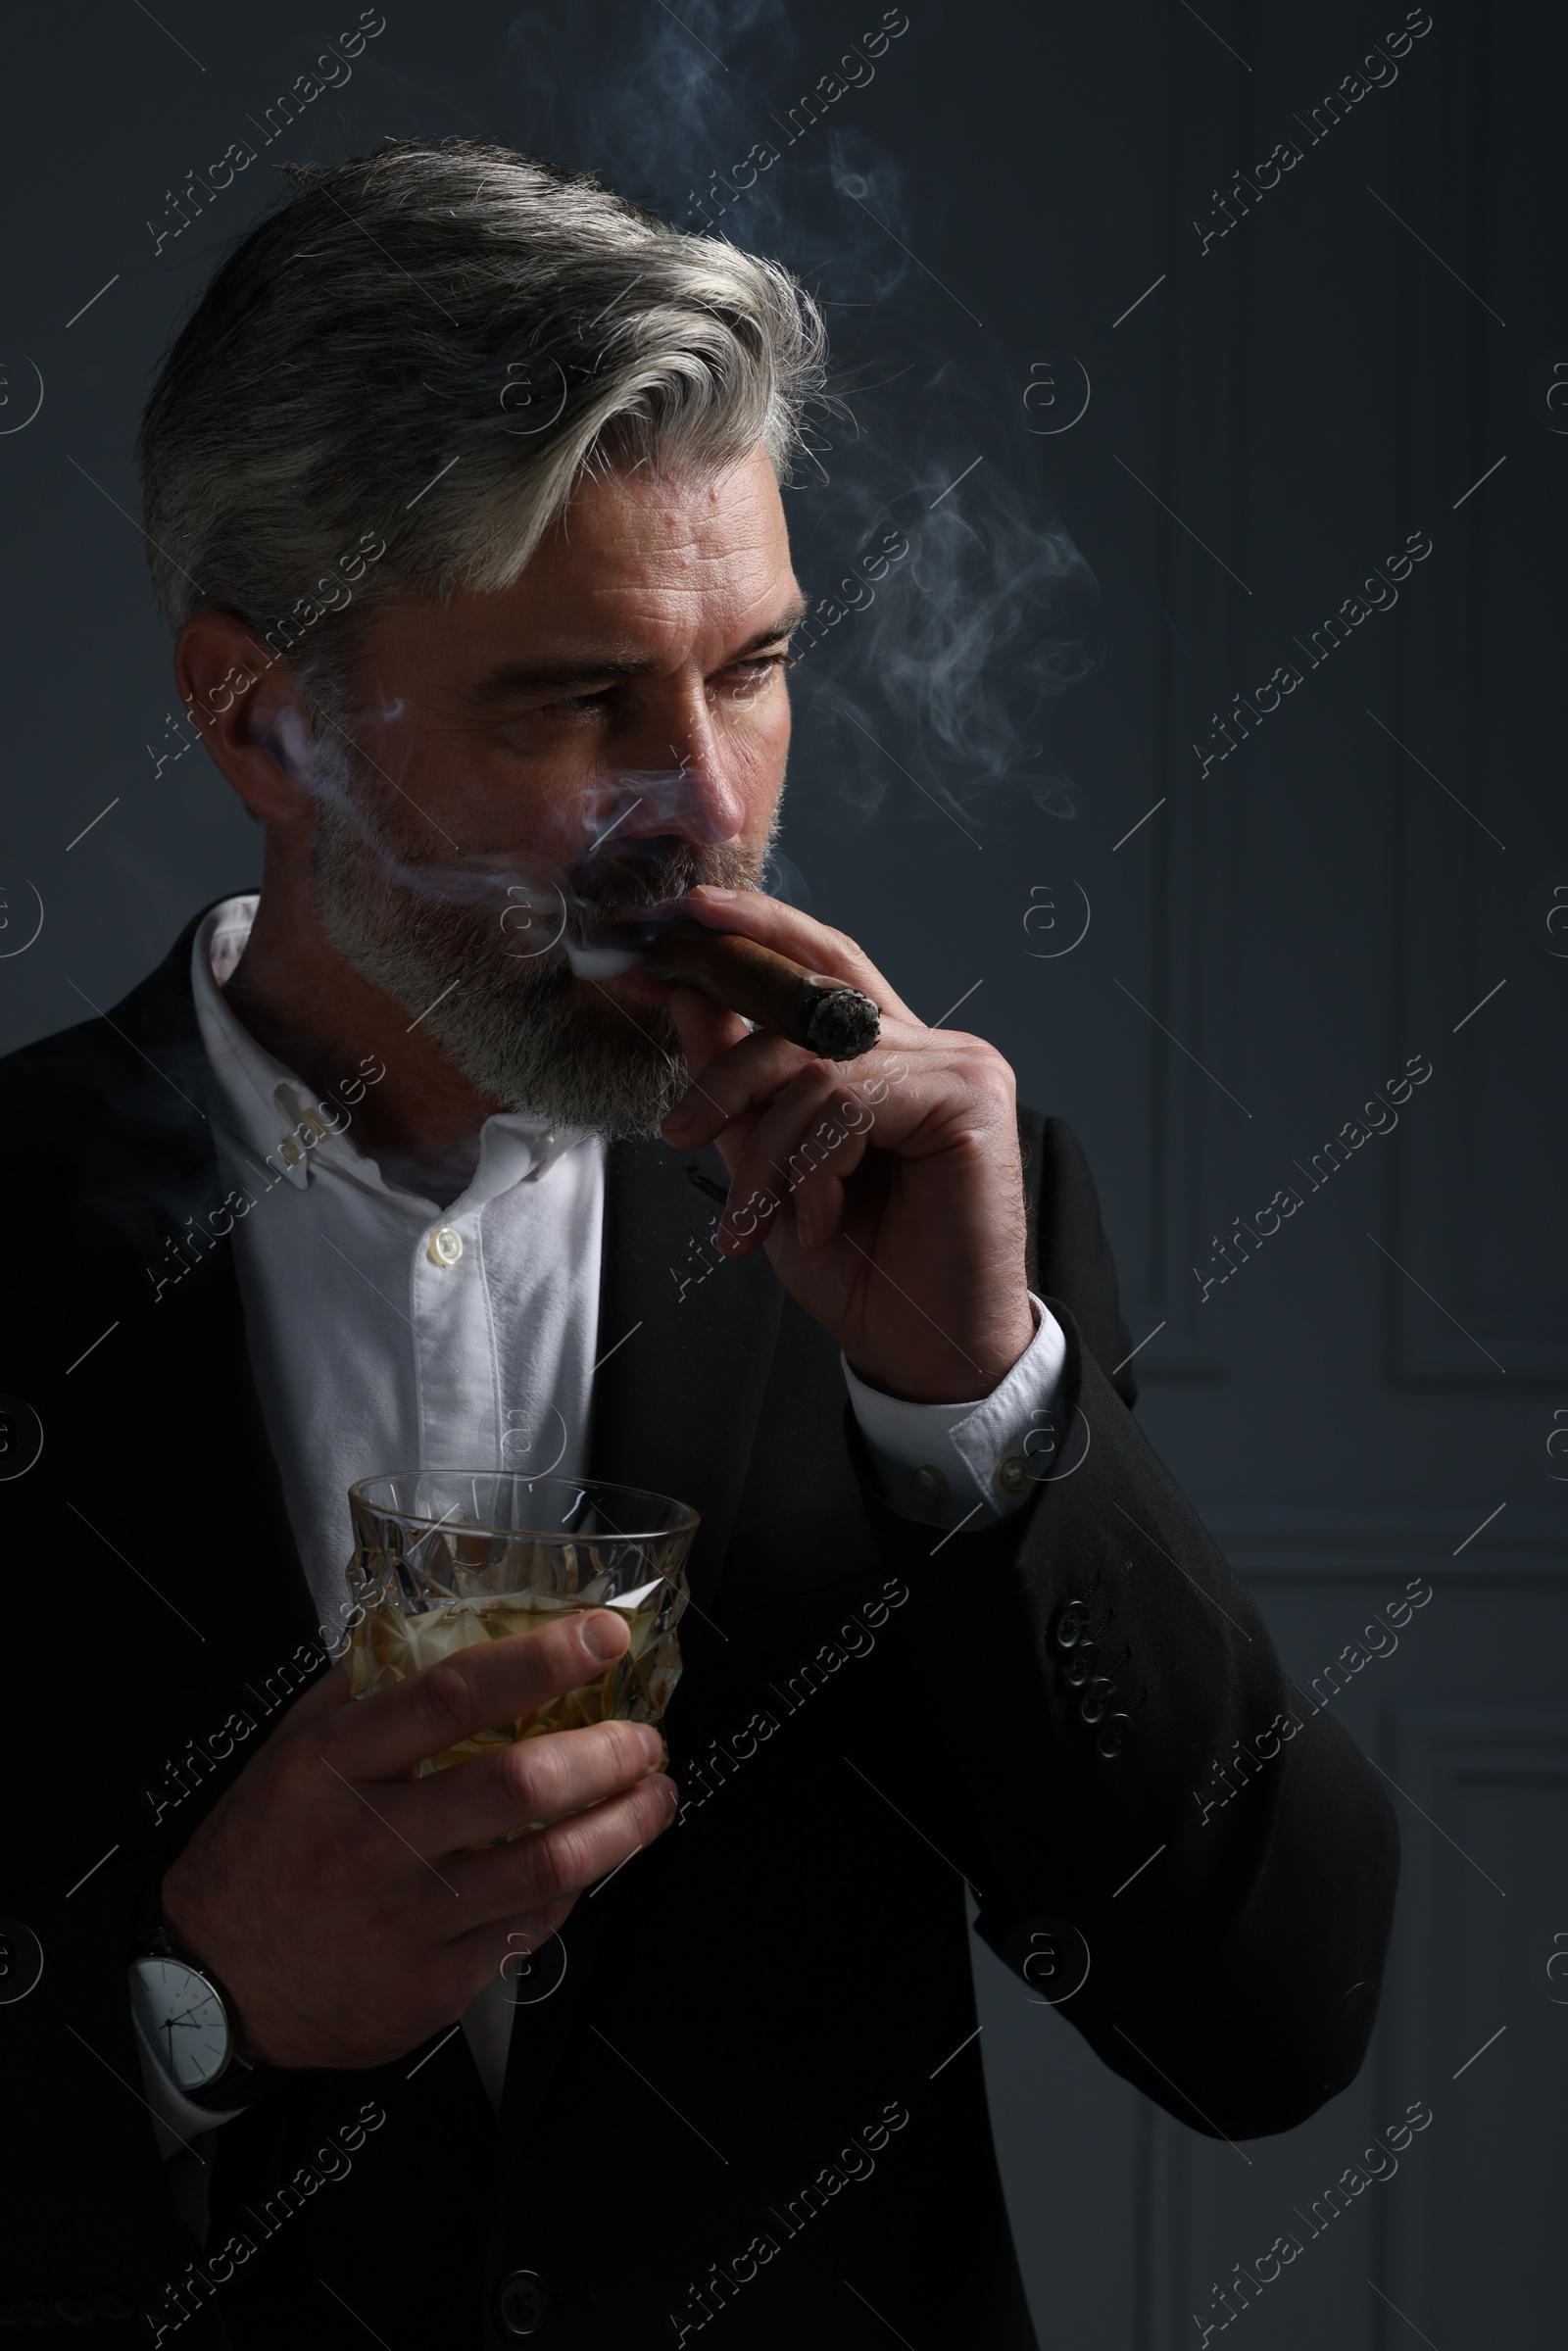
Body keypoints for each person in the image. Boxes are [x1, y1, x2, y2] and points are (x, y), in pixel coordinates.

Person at [0, 141, 1397, 2349]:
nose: (705, 810)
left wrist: (980, 1414)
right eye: (571, 704)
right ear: (256, 713)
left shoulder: (942, 1206)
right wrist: (193, 2002)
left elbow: (1266, 2020)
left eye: (748, 670)